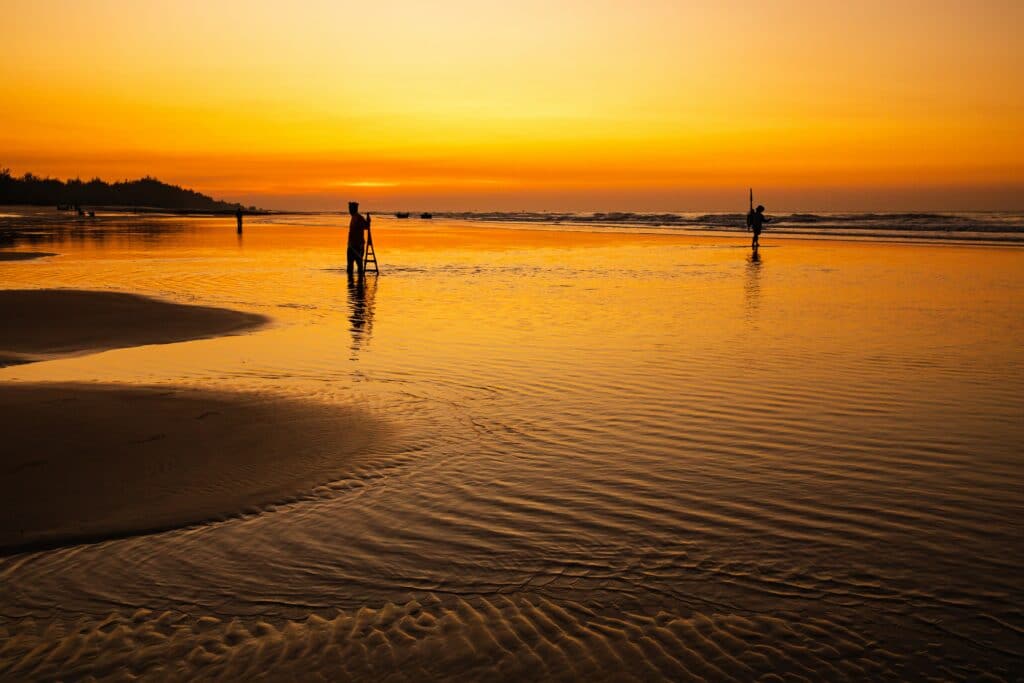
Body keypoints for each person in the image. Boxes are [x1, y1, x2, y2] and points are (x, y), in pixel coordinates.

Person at [347, 201, 370, 275]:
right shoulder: (354, 217)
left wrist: (368, 222)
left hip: (357, 246)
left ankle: (359, 283)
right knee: (350, 266)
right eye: (349, 208)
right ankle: (351, 284)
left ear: (354, 209)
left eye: (350, 208)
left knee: (359, 265)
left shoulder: (359, 218)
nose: (349, 210)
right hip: (351, 246)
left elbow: (366, 226)